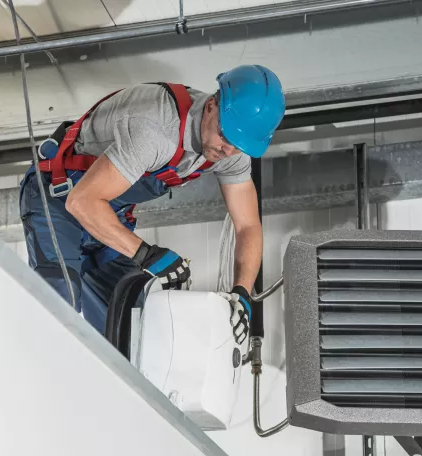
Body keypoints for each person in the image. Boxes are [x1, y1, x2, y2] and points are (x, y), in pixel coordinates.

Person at [19, 65, 285, 343]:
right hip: (59, 198)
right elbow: (82, 202)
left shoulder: (230, 151)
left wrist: (242, 294)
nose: (227, 151)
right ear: (211, 106)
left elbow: (248, 226)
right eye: (225, 136)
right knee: (60, 307)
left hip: (106, 211)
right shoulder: (155, 128)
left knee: (136, 324)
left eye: (239, 146)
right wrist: (147, 255)